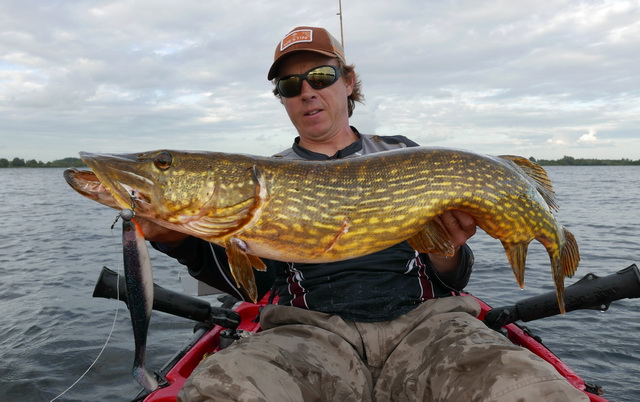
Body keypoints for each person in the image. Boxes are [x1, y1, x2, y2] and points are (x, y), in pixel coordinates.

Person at [141, 26, 589, 401]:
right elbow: (255, 285)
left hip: (424, 325)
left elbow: (453, 278)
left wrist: (448, 248)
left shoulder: (407, 155)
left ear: (348, 81)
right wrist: (177, 241)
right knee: (221, 391)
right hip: (310, 335)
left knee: (534, 391)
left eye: (320, 76)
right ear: (281, 98)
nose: (307, 93)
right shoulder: (270, 176)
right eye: (290, 86)